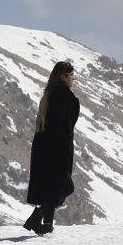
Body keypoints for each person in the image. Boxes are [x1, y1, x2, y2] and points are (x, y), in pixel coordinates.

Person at [23, 61, 80, 235]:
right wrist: (63, 144)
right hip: (58, 147)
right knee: (61, 186)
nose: (73, 80)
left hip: (44, 145)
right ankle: (44, 222)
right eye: (71, 76)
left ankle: (42, 220)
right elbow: (63, 123)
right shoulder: (63, 95)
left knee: (52, 186)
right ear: (63, 76)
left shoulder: (49, 94)